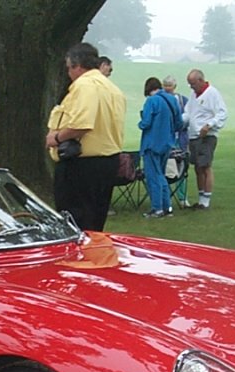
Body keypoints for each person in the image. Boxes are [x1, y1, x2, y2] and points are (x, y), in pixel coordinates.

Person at [45, 42, 127, 231]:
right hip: (108, 162)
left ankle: (79, 259)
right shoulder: (112, 88)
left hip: (82, 165)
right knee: (95, 222)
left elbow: (81, 125)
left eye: (69, 69)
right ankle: (94, 257)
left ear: (77, 66)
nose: (69, 74)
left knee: (75, 224)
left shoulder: (84, 86)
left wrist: (55, 138)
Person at [182, 69, 228, 209]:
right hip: (194, 135)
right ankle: (201, 197)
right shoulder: (193, 95)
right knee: (197, 167)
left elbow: (222, 113)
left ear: (201, 80)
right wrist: (179, 122)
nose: (191, 87)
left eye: (193, 83)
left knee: (205, 166)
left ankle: (206, 200)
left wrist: (209, 125)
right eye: (190, 84)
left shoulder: (212, 93)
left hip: (207, 136)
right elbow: (188, 113)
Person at [138, 77, 183, 218]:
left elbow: (145, 123)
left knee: (153, 176)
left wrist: (140, 124)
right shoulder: (172, 100)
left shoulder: (151, 101)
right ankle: (167, 207)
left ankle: (157, 208)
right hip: (167, 143)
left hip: (151, 143)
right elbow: (179, 123)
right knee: (161, 175)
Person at [163, 75, 190, 207]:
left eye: (170, 85)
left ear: (175, 86)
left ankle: (182, 198)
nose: (168, 88)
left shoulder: (182, 100)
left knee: (181, 168)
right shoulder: (160, 100)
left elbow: (188, 117)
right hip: (166, 140)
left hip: (180, 139)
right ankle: (166, 198)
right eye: (166, 85)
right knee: (166, 169)